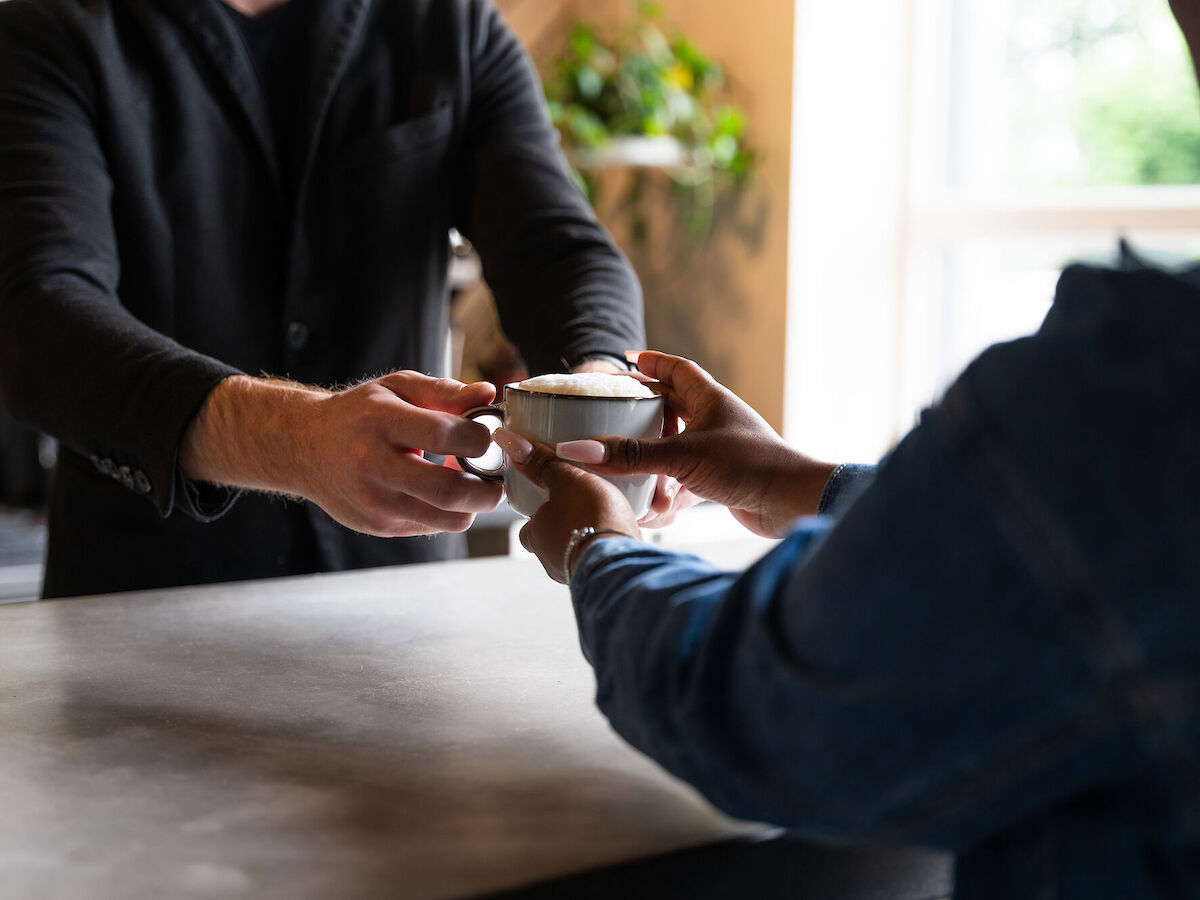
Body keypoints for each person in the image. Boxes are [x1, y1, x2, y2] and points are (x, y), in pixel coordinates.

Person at [499, 7, 1200, 895]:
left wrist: (599, 548)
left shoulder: (1132, 389)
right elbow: (1067, 567)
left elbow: (761, 704)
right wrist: (800, 483)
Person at [0, 0, 648, 597]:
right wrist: (294, 438)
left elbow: (559, 250)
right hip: (143, 605)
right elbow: (38, 311)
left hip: (399, 612)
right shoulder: (52, 28)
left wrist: (606, 389)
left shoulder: (449, 24)